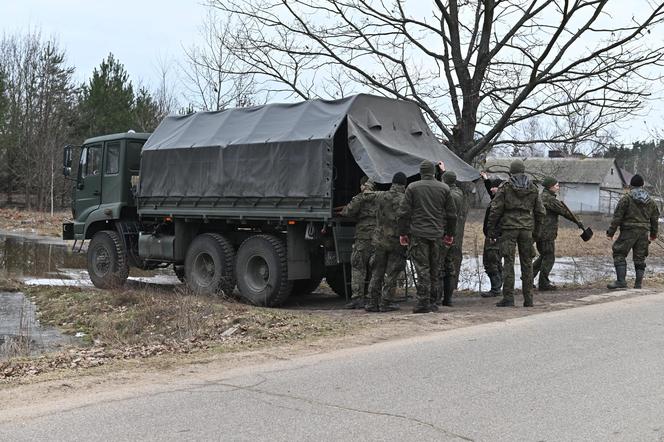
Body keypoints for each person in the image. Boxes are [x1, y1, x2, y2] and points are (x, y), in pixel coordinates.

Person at [398, 160, 457, 313]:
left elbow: (403, 213)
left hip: (418, 233)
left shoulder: (412, 187)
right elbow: (452, 215)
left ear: (421, 172)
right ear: (434, 172)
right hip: (437, 234)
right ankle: (433, 301)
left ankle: (423, 302)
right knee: (435, 268)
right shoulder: (444, 188)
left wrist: (403, 233)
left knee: (422, 268)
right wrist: (450, 234)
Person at [487, 160, 545, 307]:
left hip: (509, 228)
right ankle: (529, 299)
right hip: (527, 229)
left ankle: (508, 298)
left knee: (509, 262)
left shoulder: (505, 187)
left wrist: (491, 229)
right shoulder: (532, 188)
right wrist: (537, 232)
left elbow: (496, 210)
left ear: (511, 172)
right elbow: (540, 212)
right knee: (527, 264)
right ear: (523, 171)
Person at [606, 174, 659, 289]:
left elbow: (617, 217)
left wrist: (611, 232)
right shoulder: (651, 201)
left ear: (631, 185)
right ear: (642, 185)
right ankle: (638, 284)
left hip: (628, 231)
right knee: (640, 257)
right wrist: (653, 235)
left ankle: (621, 282)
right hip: (644, 233)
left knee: (619, 253)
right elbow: (654, 220)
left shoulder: (626, 199)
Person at [365, 172, 408, 312]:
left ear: (392, 182)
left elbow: (366, 195)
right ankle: (386, 302)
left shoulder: (381, 196)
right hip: (397, 241)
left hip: (379, 241)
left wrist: (371, 180)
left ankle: (372, 302)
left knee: (377, 272)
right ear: (404, 184)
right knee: (392, 273)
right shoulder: (405, 199)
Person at [532, 176, 584, 291]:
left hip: (539, 233)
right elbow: (564, 212)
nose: (558, 187)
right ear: (550, 187)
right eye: (556, 185)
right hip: (547, 234)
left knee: (543, 256)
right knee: (549, 257)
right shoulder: (550, 199)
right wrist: (577, 221)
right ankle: (543, 283)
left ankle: (528, 277)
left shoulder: (541, 197)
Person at [339, 177, 378, 308]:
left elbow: (348, 212)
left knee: (358, 266)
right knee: (375, 267)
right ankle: (373, 297)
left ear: (363, 186)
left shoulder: (359, 198)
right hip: (377, 238)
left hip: (363, 238)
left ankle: (357, 298)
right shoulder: (380, 198)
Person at [439, 170, 468, 306]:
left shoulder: (446, 194)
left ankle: (437, 297)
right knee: (449, 266)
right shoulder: (459, 193)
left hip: (443, 232)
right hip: (452, 234)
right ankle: (448, 299)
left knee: (439, 265)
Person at [479, 172, 504, 298]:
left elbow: (500, 220)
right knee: (494, 262)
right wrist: (486, 180)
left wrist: (494, 234)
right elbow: (491, 192)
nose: (491, 189)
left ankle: (496, 288)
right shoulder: (498, 198)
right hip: (492, 236)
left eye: (494, 187)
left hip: (494, 237)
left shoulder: (501, 201)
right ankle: (498, 287)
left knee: (491, 262)